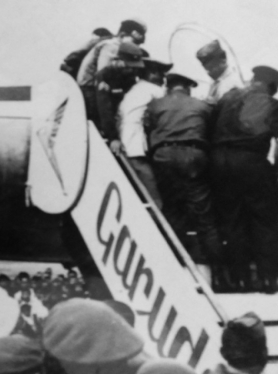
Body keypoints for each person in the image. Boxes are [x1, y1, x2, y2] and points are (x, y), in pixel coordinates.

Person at [210, 65, 278, 293]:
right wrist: (274, 169)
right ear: (271, 86)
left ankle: (239, 279)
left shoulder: (227, 98)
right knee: (263, 221)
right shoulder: (273, 104)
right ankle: (267, 279)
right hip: (252, 162)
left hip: (220, 162)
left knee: (231, 221)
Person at [143, 71, 224, 288]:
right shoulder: (202, 106)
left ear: (168, 86)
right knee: (205, 218)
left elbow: (148, 129)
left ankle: (170, 275)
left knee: (171, 213)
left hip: (164, 157)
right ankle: (219, 278)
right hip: (194, 156)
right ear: (188, 87)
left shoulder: (155, 105)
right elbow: (211, 133)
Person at [116, 58, 172, 207]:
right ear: (152, 73)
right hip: (136, 146)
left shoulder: (134, 91)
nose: (163, 79)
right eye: (161, 74)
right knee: (153, 192)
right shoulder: (154, 90)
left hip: (126, 144)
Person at [77, 19, 147, 129]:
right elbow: (103, 75)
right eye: (134, 42)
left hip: (91, 91)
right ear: (123, 35)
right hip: (90, 93)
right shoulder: (113, 46)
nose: (136, 48)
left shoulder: (111, 44)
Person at [95, 42, 145, 154]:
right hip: (107, 124)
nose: (132, 70)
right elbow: (104, 109)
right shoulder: (104, 76)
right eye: (129, 65)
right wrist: (113, 138)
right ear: (118, 60)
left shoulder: (131, 76)